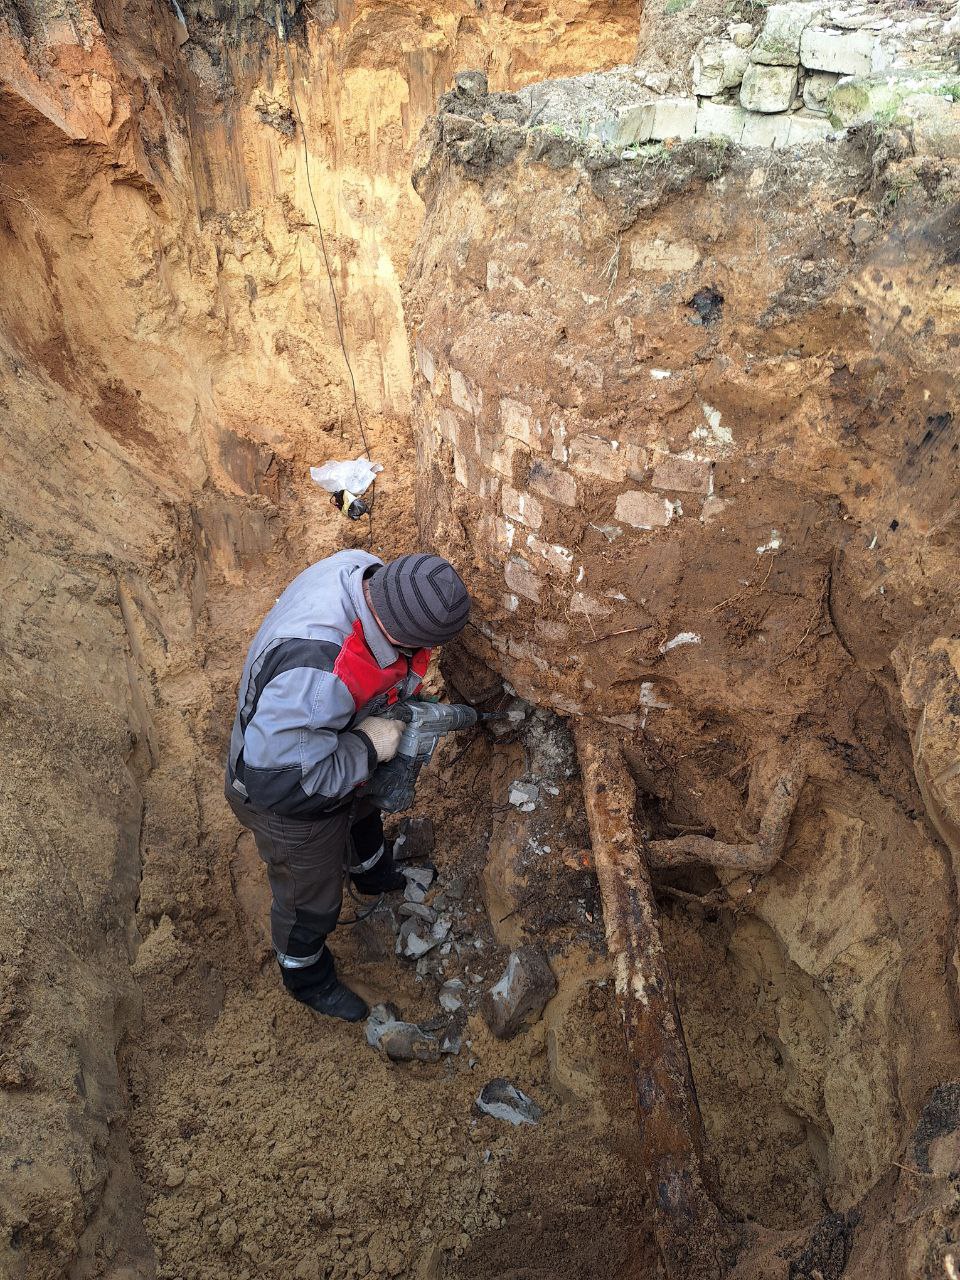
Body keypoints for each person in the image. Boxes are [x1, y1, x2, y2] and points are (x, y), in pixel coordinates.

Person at [225, 551, 471, 1022]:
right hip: (284, 801)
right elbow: (279, 783)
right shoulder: (317, 674)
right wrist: (366, 745)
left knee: (362, 811)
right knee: (310, 898)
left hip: (320, 741)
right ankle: (305, 975)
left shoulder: (366, 570)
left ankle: (373, 874)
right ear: (404, 639)